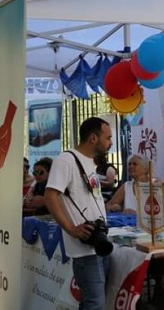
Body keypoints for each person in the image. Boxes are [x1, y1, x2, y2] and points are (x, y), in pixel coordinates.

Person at [45, 117, 112, 310]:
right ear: (93, 138)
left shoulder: (90, 163)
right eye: (107, 138)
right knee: (95, 303)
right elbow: (50, 196)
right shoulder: (66, 160)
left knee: (93, 302)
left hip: (98, 242)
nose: (110, 143)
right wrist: (71, 228)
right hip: (84, 249)